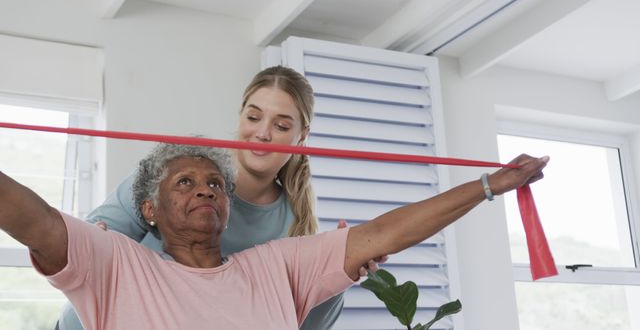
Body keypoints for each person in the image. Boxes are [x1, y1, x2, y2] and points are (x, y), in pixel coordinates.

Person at [0, 142, 548, 330]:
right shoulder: (114, 264)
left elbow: (382, 233)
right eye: (185, 183)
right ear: (149, 208)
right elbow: (36, 219)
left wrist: (490, 184)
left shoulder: (275, 266)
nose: (206, 190)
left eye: (215, 183)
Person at [56, 66, 374, 330]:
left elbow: (303, 322)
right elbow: (87, 245)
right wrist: (94, 242)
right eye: (253, 117)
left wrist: (341, 269)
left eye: (280, 125)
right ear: (240, 118)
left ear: (301, 137)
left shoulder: (295, 224)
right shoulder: (174, 173)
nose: (262, 133)